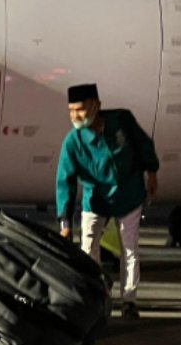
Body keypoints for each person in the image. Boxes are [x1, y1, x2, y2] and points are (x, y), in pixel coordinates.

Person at [57, 84, 160, 320]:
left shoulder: (122, 120)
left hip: (128, 194)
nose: (75, 116)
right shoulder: (72, 142)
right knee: (88, 249)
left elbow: (144, 144)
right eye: (71, 111)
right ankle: (94, 298)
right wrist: (64, 221)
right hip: (96, 199)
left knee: (129, 248)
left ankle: (128, 301)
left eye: (80, 110)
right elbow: (65, 181)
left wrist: (151, 173)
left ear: (97, 106)